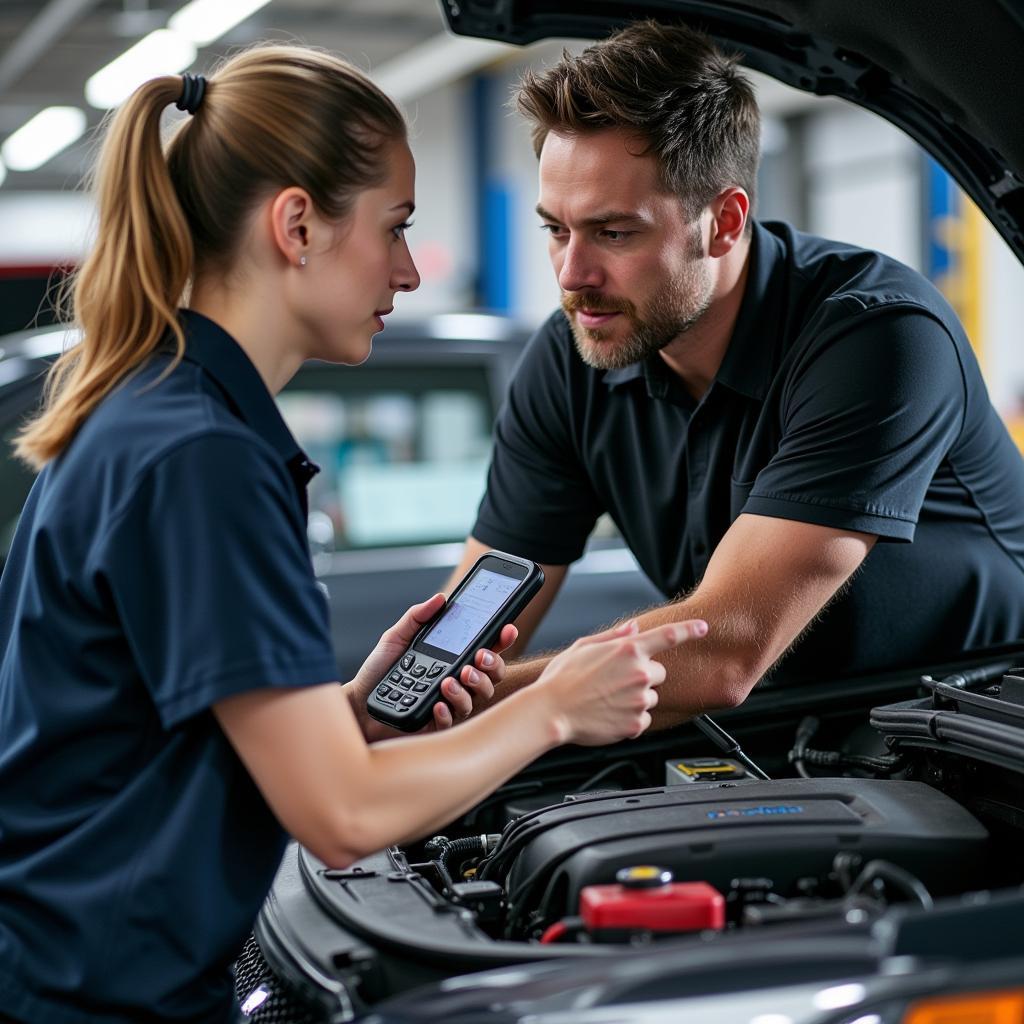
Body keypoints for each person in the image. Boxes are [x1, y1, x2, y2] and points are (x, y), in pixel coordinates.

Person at [0, 47, 707, 1024]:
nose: (410, 270)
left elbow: (141, 745)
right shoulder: (200, 457)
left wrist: (349, 713)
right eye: (396, 227)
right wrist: (553, 710)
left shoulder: (151, 411)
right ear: (296, 225)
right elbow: (342, 818)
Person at [447, 19, 1024, 725]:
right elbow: (475, 622)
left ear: (723, 222)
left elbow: (721, 653)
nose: (573, 275)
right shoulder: (572, 356)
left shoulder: (881, 337)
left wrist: (443, 709)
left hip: (975, 734)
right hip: (778, 735)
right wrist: (379, 707)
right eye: (555, 229)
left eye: (614, 232)